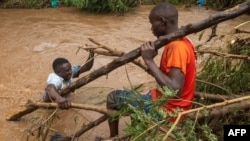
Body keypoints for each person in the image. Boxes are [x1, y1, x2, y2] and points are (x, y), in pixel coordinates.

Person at [106, 2, 196, 138]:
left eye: (152, 23)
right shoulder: (184, 41)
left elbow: (174, 90)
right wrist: (152, 66)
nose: (151, 28)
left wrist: (149, 60)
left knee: (112, 97)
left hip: (168, 111)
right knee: (139, 96)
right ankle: (136, 131)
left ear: (161, 22)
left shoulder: (176, 48)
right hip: (179, 106)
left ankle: (113, 138)